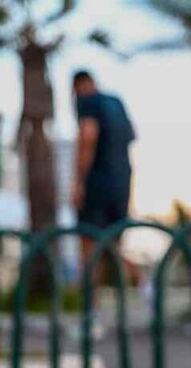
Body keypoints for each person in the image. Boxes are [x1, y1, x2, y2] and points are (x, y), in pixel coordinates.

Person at [71, 70, 140, 286]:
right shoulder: (116, 103)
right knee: (112, 246)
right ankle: (147, 289)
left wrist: (79, 182)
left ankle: (90, 309)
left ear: (78, 87)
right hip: (122, 182)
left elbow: (88, 136)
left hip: (97, 182)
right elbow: (132, 136)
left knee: (89, 244)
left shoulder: (87, 101)